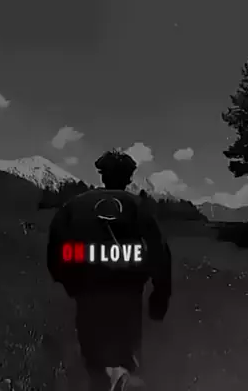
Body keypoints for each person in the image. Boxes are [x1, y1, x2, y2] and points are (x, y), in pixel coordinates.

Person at [47, 149, 172, 390]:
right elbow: (160, 252)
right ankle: (123, 376)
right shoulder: (139, 207)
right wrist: (160, 294)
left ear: (102, 174)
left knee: (93, 355)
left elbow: (55, 248)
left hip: (88, 292)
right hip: (128, 294)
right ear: (129, 177)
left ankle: (109, 378)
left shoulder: (74, 205)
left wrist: (68, 282)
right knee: (128, 350)